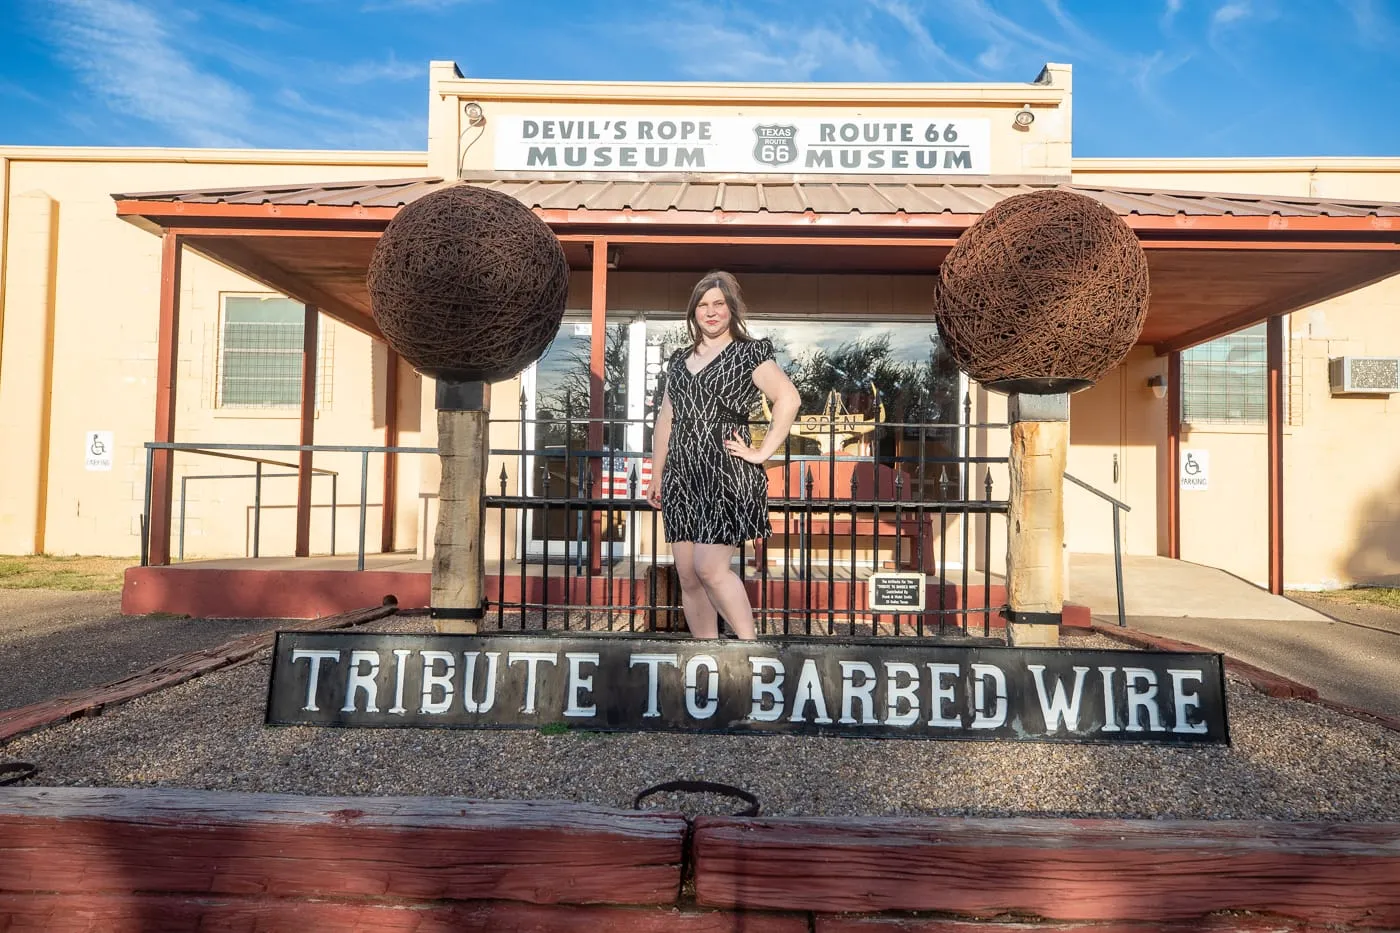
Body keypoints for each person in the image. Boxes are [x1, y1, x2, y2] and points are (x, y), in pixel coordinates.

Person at [646, 271, 801, 640]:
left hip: (726, 473)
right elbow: (666, 419)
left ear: (731, 308)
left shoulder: (749, 353)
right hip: (682, 476)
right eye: (703, 305)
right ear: (693, 312)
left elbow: (789, 399)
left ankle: (751, 653)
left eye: (718, 304)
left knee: (710, 569)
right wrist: (656, 474)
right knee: (687, 575)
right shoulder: (679, 362)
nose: (711, 312)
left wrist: (761, 451)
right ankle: (707, 656)